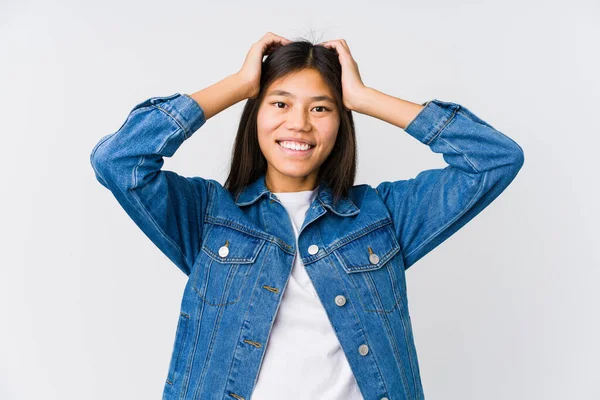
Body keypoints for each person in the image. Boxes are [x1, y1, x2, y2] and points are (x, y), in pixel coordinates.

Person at [90, 32, 524, 400]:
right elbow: (118, 160)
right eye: (279, 104)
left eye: (321, 108)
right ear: (254, 114)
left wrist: (364, 97)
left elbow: (495, 159)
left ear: (341, 122)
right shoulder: (208, 216)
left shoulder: (382, 216)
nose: (299, 123)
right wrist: (239, 84)